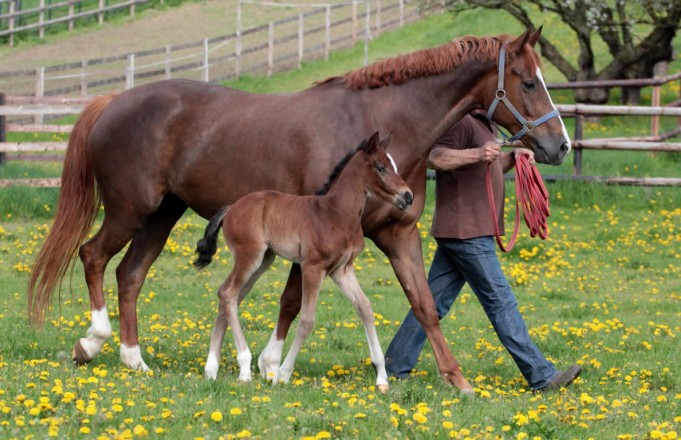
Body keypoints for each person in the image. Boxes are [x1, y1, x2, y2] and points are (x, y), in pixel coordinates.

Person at [384, 110, 581, 392]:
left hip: (466, 230)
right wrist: (478, 153)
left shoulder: (484, 123)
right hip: (467, 233)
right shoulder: (460, 122)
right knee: (501, 302)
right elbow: (435, 157)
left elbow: (488, 166)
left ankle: (394, 364)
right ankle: (542, 376)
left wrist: (513, 157)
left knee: (432, 304)